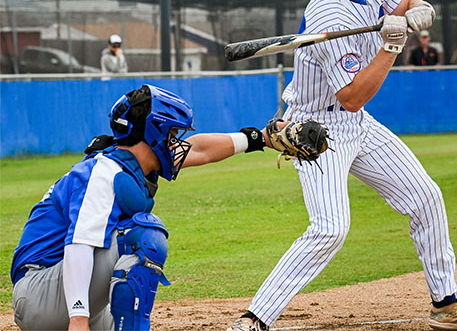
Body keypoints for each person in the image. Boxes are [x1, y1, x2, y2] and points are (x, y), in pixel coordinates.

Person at [229, 0, 457, 331]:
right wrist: (392, 46)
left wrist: (419, 9)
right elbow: (352, 94)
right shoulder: (326, 14)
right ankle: (253, 319)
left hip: (357, 124)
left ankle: (445, 307)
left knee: (425, 197)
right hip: (315, 129)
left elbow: (405, 1)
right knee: (330, 229)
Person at [11, 84, 285, 331]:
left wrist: (259, 138)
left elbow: (200, 149)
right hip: (40, 293)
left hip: (61, 291)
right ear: (153, 133)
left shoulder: (127, 163)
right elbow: (78, 245)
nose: (176, 142)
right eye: (172, 134)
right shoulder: (103, 172)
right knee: (145, 234)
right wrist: (79, 319)